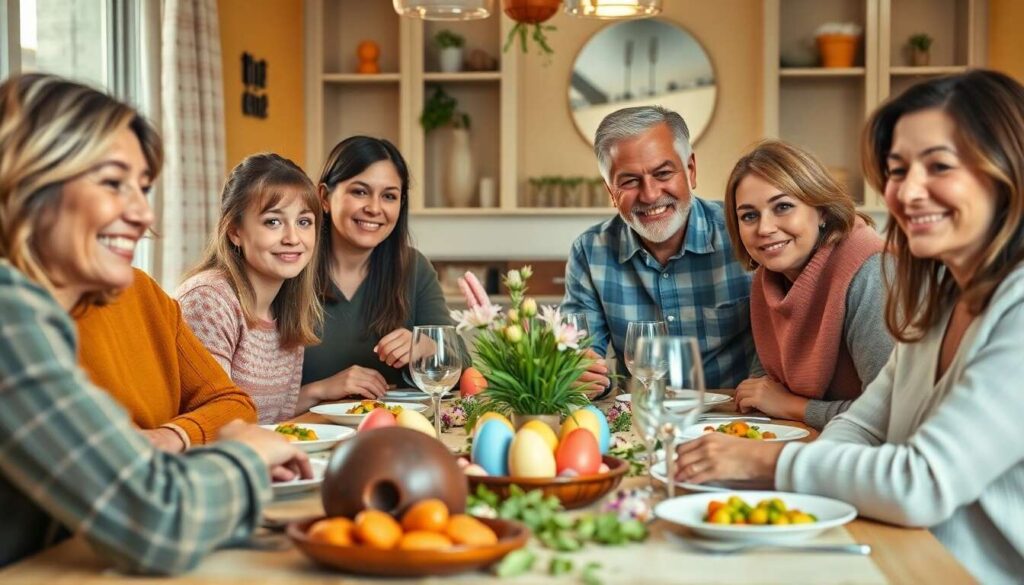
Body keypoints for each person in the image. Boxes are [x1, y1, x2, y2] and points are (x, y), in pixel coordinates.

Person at [677, 70, 1024, 584]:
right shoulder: (940, 301)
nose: (908, 191)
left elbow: (922, 481)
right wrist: (795, 469)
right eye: (898, 170)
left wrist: (766, 464)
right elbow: (864, 424)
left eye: (939, 167)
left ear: (1006, 171)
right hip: (902, 551)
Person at [0, 73, 310, 572]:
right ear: (28, 180)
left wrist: (192, 443)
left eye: (143, 188)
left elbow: (226, 404)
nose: (144, 214)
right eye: (113, 183)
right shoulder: (9, 313)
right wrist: (246, 456)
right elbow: (157, 521)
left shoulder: (126, 298)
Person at [561, 105, 755, 396]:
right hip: (640, 420)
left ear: (690, 170)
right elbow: (581, 360)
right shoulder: (589, 252)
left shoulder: (744, 233)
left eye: (663, 173)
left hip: (735, 419)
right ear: (611, 192)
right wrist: (580, 375)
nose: (650, 194)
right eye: (629, 181)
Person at [722, 140, 892, 430]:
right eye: (749, 216)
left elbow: (891, 415)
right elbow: (762, 390)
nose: (765, 228)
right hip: (823, 444)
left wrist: (792, 406)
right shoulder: (769, 278)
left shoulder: (871, 271)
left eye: (783, 207)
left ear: (822, 210)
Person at [300, 136, 451, 404]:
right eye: (359, 191)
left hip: (395, 437)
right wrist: (319, 390)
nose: (374, 208)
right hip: (305, 440)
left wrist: (426, 348)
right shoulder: (291, 268)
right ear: (324, 197)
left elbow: (461, 372)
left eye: (389, 196)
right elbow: (255, 405)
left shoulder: (414, 269)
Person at [177, 154, 322, 424]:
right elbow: (216, 421)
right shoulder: (208, 300)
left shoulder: (287, 308)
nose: (293, 238)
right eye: (273, 222)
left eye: (304, 222)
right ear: (235, 232)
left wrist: (320, 391)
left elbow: (271, 420)